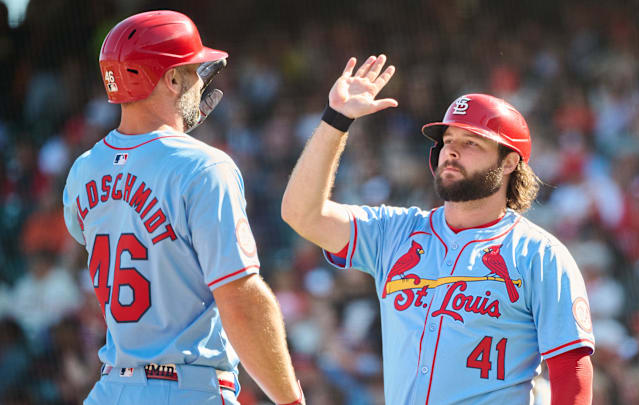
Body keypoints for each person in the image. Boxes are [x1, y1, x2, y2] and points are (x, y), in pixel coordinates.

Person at [282, 55, 594, 404]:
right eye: (448, 140)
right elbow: (302, 214)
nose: (452, 151)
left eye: (472, 142)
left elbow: (571, 371)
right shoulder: (395, 232)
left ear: (509, 162)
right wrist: (336, 120)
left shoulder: (540, 255)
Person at [62, 11, 303, 405]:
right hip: (188, 389)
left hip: (109, 390)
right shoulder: (206, 166)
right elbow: (240, 299)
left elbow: (119, 225)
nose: (201, 81)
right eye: (194, 71)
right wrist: (292, 401)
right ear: (172, 79)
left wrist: (170, 139)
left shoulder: (83, 169)